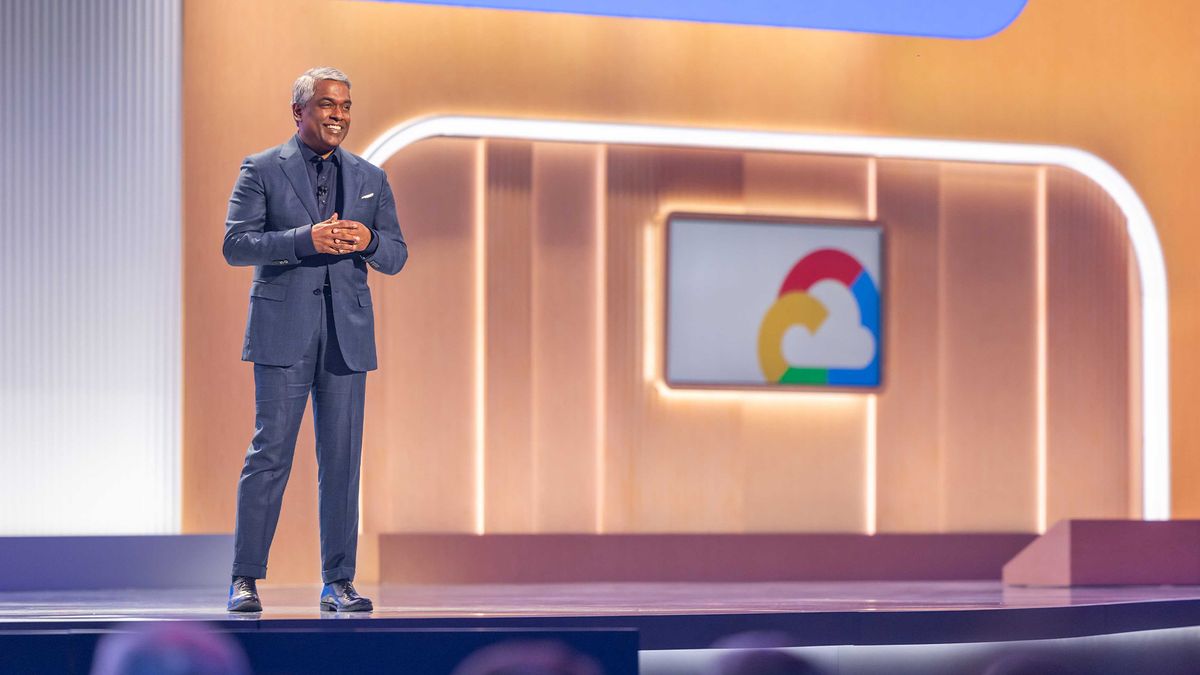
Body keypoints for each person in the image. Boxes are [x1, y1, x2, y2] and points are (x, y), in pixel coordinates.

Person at [222, 66, 408, 612]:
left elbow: (396, 254)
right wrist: (307, 239)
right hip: (283, 334)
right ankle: (244, 579)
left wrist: (369, 239)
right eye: (328, 105)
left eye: (346, 106)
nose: (339, 116)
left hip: (346, 339)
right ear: (299, 111)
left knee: (342, 462)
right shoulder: (260, 169)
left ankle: (338, 582)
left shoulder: (371, 175)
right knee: (270, 454)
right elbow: (236, 245)